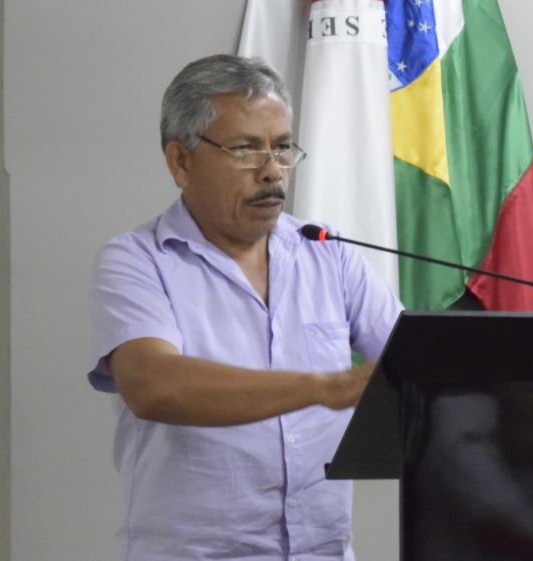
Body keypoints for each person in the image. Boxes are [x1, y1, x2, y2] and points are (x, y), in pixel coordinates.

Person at [88, 54, 403, 561]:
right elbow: (154, 386)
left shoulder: (329, 254)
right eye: (244, 150)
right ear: (181, 161)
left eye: (282, 148)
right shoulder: (136, 261)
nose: (272, 172)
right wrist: (326, 387)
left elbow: (415, 369)